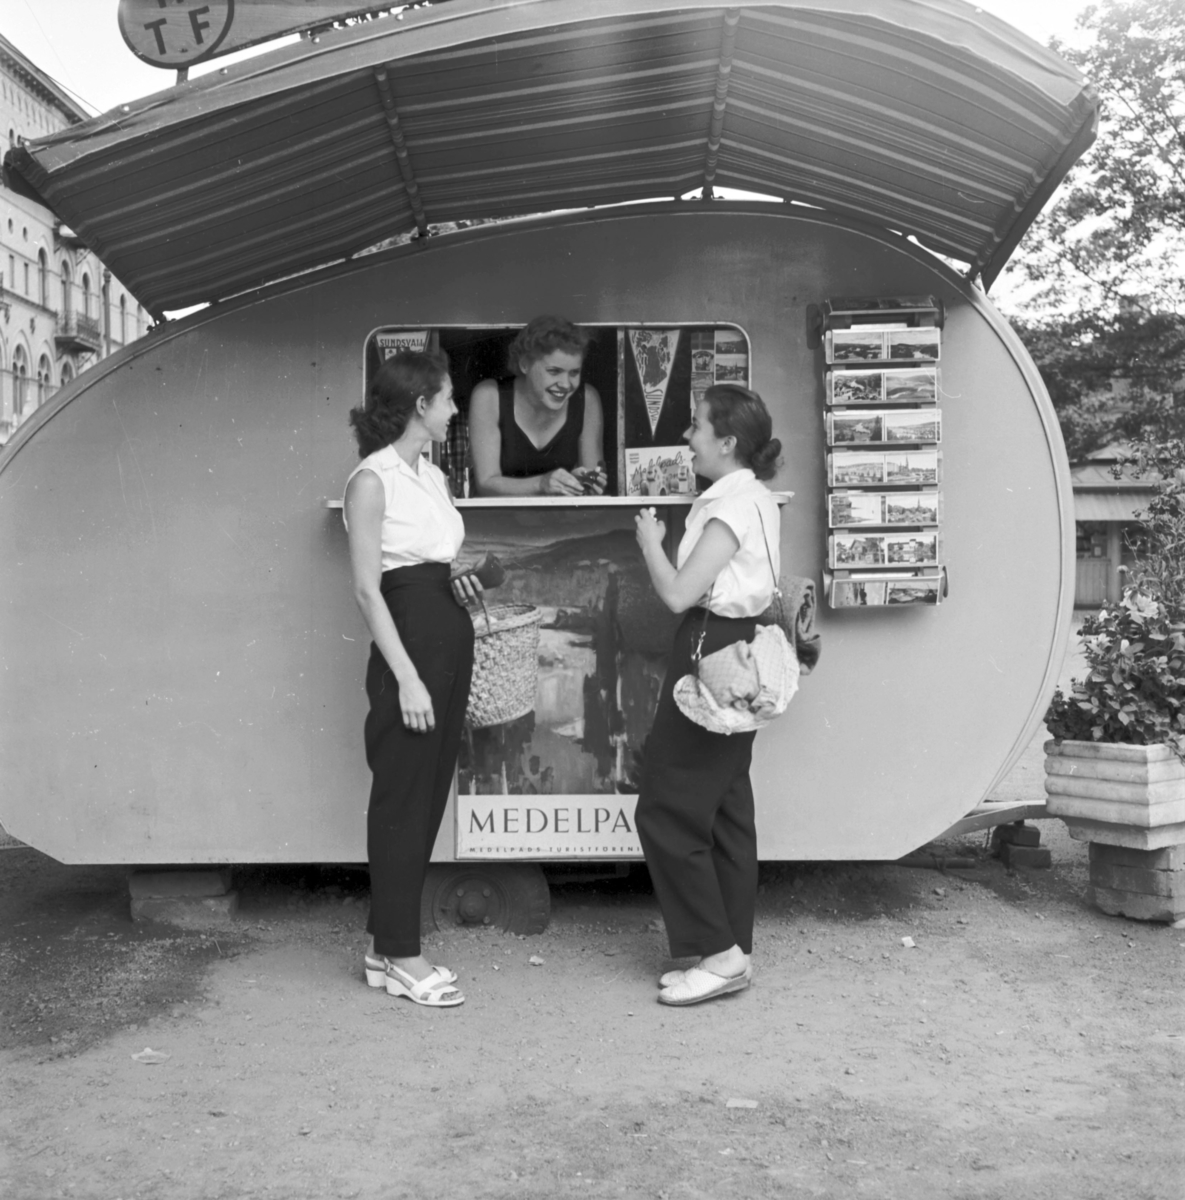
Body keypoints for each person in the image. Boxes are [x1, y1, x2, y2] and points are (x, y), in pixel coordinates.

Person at [633, 384, 783, 1007]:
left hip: (711, 648)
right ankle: (731, 949)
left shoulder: (729, 507)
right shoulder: (753, 498)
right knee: (725, 809)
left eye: (696, 427)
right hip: (735, 646)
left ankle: (718, 956)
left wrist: (648, 539)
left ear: (727, 442)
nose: (688, 437)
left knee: (665, 807)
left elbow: (677, 593)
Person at [343, 350, 482, 1008]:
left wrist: (461, 572)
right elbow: (370, 592)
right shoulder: (371, 481)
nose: (455, 408)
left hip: (447, 634)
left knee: (425, 796)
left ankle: (383, 948)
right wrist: (406, 678)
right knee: (402, 798)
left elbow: (434, 560)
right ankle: (402, 956)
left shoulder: (431, 475)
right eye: (448, 398)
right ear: (421, 405)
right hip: (410, 647)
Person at [468, 315, 607, 497]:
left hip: (561, 522)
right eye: (554, 371)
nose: (565, 384)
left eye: (574, 373)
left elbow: (592, 488)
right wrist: (543, 483)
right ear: (525, 364)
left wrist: (581, 483)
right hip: (496, 522)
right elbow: (485, 484)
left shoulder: (587, 399)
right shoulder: (489, 396)